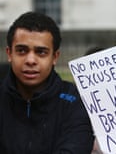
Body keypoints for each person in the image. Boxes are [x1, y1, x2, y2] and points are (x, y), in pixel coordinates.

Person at [0, 11, 94, 153]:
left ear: (55, 57)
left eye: (41, 52)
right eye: (21, 51)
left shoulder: (76, 101)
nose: (30, 60)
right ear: (9, 54)